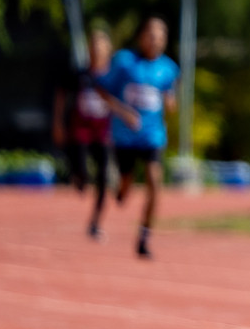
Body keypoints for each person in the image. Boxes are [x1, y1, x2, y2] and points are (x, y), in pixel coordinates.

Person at [96, 17, 179, 258]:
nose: (155, 40)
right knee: (124, 191)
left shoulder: (169, 68)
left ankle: (144, 237)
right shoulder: (124, 62)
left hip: (152, 136)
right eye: (151, 35)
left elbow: (168, 92)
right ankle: (120, 188)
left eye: (160, 36)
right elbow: (102, 90)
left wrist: (170, 101)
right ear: (141, 36)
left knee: (155, 182)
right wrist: (123, 112)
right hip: (125, 138)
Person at [53, 29, 115, 237]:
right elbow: (61, 93)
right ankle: (78, 176)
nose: (96, 50)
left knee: (104, 177)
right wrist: (58, 123)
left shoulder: (114, 76)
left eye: (100, 46)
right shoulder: (80, 75)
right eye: (93, 46)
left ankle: (96, 222)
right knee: (82, 172)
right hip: (80, 129)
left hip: (103, 131)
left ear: (108, 50)